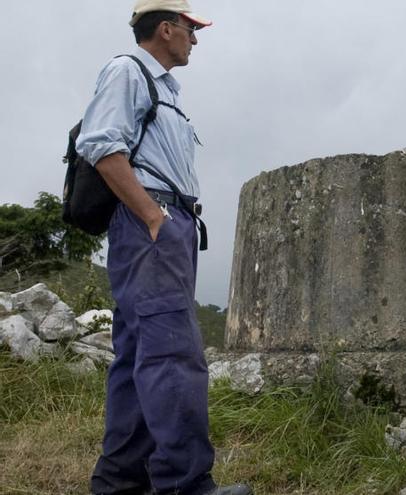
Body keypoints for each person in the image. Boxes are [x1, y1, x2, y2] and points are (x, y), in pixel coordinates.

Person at [76, 1, 251, 494]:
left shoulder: (160, 87)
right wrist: (154, 218)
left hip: (161, 225)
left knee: (138, 356)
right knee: (173, 354)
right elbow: (102, 146)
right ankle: (185, 485)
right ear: (167, 28)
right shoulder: (128, 71)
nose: (196, 39)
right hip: (150, 223)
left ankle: (120, 482)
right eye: (192, 30)